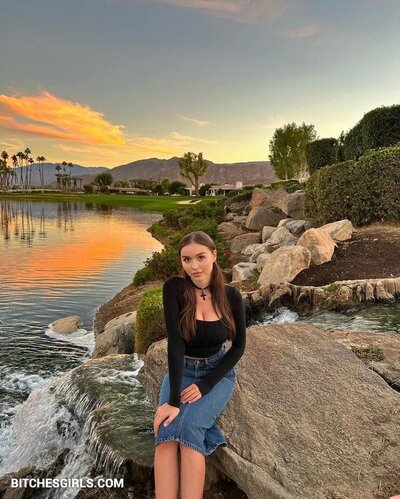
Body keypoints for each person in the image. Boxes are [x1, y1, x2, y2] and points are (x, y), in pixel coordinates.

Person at [153, 230, 246, 499]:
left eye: (200, 257)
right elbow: (175, 344)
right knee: (165, 429)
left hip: (216, 373)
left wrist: (205, 385)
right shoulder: (174, 288)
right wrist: (172, 401)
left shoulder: (231, 296)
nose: (194, 266)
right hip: (182, 369)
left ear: (214, 256)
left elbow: (238, 347)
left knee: (191, 427)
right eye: (187, 259)